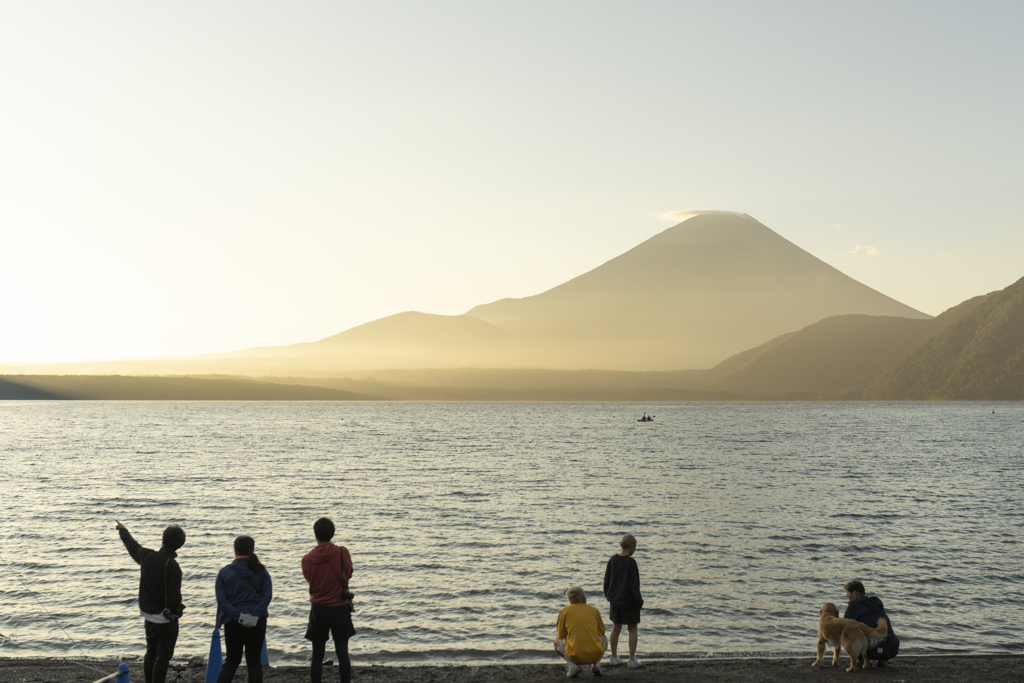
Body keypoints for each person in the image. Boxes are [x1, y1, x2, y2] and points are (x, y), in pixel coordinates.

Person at [116, 521, 186, 683]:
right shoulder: (173, 566)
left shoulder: (147, 556)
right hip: (166, 619)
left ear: (162, 540)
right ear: (180, 545)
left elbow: (132, 545)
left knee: (151, 652)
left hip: (148, 616)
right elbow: (175, 598)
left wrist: (123, 531)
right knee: (163, 657)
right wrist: (178, 612)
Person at [301, 518, 355, 683]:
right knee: (342, 652)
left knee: (317, 653)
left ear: (315, 535)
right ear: (333, 533)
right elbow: (349, 573)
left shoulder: (307, 559)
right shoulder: (342, 552)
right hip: (340, 607)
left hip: (318, 608)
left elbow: (309, 579)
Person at [215, 535, 273, 683]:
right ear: (252, 550)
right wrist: (252, 616)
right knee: (254, 663)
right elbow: (266, 597)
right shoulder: (261, 571)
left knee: (231, 662)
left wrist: (239, 616)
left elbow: (222, 601)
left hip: (233, 622)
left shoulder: (224, 572)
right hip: (257, 621)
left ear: (235, 551)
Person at [603, 534, 643, 668]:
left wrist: (608, 596)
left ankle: (614, 657)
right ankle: (631, 659)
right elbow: (634, 585)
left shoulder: (612, 560)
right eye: (635, 547)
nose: (635, 549)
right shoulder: (631, 563)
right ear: (631, 546)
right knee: (632, 629)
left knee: (616, 628)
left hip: (614, 601)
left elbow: (606, 581)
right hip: (629, 602)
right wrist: (638, 601)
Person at [553, 586, 607, 678]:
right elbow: (601, 631)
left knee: (556, 642)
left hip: (575, 655)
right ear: (584, 599)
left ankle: (573, 666)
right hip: (595, 653)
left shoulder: (564, 611)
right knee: (604, 638)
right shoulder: (594, 610)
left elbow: (561, 635)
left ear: (569, 600)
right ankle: (596, 664)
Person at [843, 580, 900, 666]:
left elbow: (844, 625)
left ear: (854, 593)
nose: (848, 598)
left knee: (846, 633)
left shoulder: (854, 604)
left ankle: (862, 659)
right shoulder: (876, 602)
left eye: (848, 595)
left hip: (870, 650)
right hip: (892, 648)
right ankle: (881, 660)